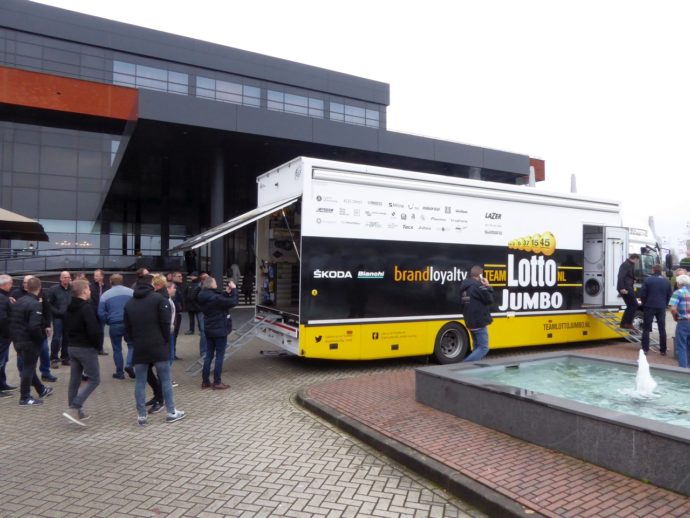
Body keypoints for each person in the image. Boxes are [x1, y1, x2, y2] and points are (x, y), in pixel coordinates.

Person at [124, 274, 185, 425]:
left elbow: (127, 329)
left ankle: (141, 416)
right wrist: (165, 341)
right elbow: (165, 324)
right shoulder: (159, 299)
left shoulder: (129, 303)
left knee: (140, 381)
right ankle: (171, 412)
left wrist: (134, 341)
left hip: (139, 347)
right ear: (151, 283)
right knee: (165, 379)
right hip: (158, 346)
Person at [62, 280, 102, 426]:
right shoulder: (86, 308)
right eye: (89, 289)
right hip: (85, 348)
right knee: (95, 379)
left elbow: (66, 327)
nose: (90, 291)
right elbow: (93, 330)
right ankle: (74, 408)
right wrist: (97, 346)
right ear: (84, 291)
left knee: (75, 380)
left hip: (72, 347)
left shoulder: (69, 307)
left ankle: (75, 412)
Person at [9, 276, 53, 405]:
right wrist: (40, 340)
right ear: (39, 287)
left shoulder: (19, 301)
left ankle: (41, 390)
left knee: (28, 367)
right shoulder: (35, 304)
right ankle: (25, 397)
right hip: (29, 341)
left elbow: (13, 321)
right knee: (28, 368)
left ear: (27, 287)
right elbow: (34, 327)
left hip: (18, 340)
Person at [198, 275, 238, 390]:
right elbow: (233, 302)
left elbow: (218, 301)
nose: (216, 284)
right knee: (219, 356)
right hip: (219, 330)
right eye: (215, 282)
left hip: (209, 329)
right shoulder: (215, 298)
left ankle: (205, 381)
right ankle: (217, 382)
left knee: (209, 355)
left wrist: (226, 293)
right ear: (211, 284)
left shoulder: (203, 296)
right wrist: (234, 289)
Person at [98, 273, 135, 379]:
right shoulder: (131, 292)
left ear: (110, 282)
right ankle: (129, 364)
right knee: (132, 345)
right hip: (129, 323)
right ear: (122, 281)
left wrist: (108, 320)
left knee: (117, 349)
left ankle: (120, 373)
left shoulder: (105, 295)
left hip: (114, 324)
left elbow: (100, 313)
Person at [459, 266, 494, 362]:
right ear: (480, 275)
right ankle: (462, 366)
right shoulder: (478, 286)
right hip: (479, 321)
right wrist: (488, 286)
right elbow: (490, 299)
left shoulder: (465, 286)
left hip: (469, 321)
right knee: (483, 348)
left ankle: (472, 368)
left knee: (477, 347)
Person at [638, 264, 672, 356]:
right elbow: (669, 295)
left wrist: (644, 303)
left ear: (653, 270)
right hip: (661, 306)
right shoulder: (666, 281)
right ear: (660, 270)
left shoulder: (648, 280)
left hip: (649, 306)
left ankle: (645, 349)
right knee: (662, 328)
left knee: (646, 328)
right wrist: (665, 304)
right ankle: (663, 350)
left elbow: (642, 294)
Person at [48, 270, 72, 366]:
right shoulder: (53, 289)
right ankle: (54, 358)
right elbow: (49, 304)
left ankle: (65, 358)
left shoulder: (72, 289)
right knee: (57, 338)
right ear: (61, 278)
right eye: (65, 277)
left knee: (67, 338)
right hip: (58, 317)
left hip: (69, 318)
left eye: (68, 277)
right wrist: (57, 312)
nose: (67, 279)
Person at [0, 274, 16, 396]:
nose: (12, 285)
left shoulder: (5, 296)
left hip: (4, 335)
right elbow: (2, 319)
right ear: (4, 285)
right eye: (10, 283)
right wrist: (8, 334)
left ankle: (2, 383)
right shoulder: (2, 298)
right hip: (2, 335)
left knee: (3, 360)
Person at [670, 274, 690, 368]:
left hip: (683, 321)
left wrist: (675, 317)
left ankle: (683, 369)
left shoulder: (677, 292)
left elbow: (673, 309)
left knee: (681, 347)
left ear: (679, 283)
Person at [617, 254, 640, 329]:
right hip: (626, 288)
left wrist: (634, 279)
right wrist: (622, 288)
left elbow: (628, 276)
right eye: (637, 260)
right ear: (635, 258)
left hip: (628, 287)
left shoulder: (630, 265)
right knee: (634, 305)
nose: (637, 262)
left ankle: (624, 323)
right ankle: (627, 323)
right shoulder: (625, 265)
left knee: (631, 305)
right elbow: (620, 277)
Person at [90, 269, 107, 356]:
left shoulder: (106, 287)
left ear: (102, 276)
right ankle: (92, 348)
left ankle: (100, 348)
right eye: (94, 275)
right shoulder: (91, 286)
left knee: (101, 331)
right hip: (93, 312)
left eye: (97, 275)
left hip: (102, 312)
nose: (95, 277)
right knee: (93, 330)